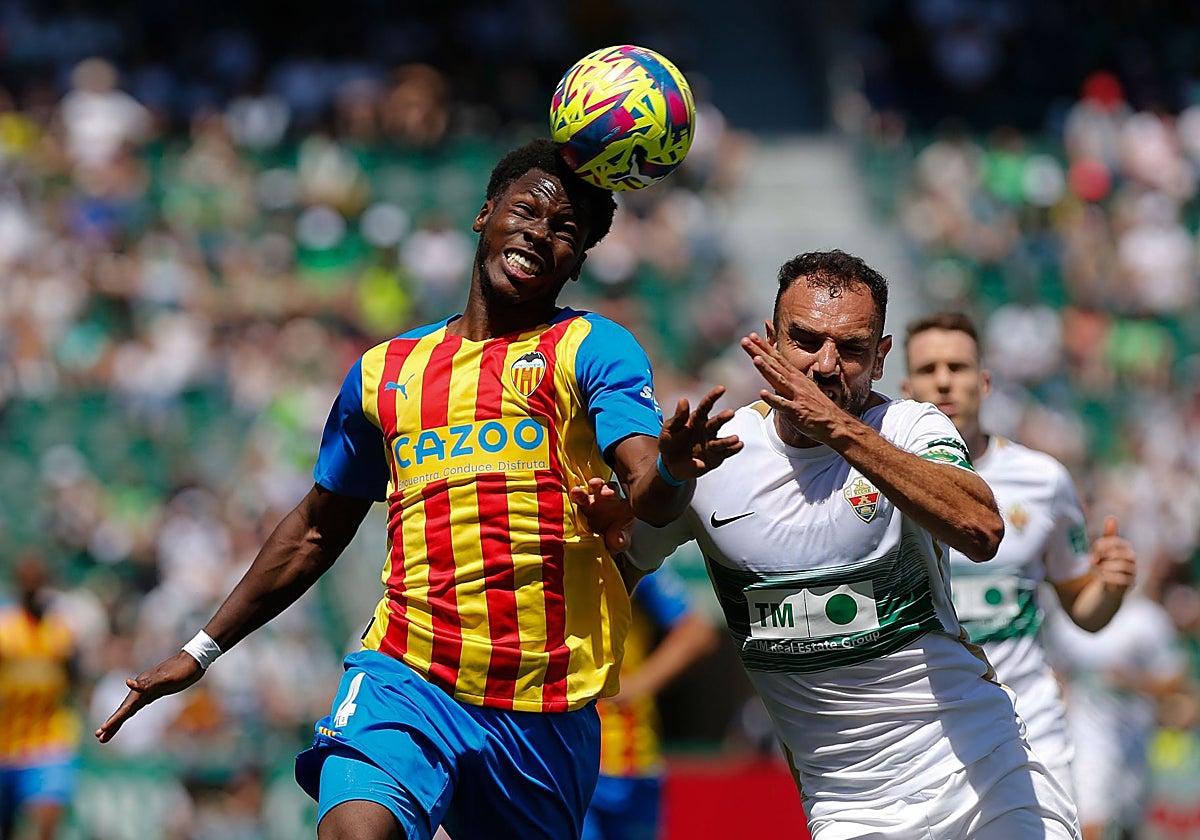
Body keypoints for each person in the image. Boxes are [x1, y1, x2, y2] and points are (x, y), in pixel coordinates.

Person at [95, 137, 743, 840]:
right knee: (354, 831)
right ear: (484, 214)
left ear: (579, 261)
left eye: (565, 231)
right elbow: (316, 527)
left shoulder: (593, 348)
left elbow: (649, 488)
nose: (540, 232)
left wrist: (675, 467)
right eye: (527, 210)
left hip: (544, 710)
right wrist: (201, 650)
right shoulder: (384, 372)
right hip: (409, 675)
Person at [623, 250, 1080, 838]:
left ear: (882, 358)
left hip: (983, 772)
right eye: (806, 340)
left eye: (853, 348)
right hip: (848, 808)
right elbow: (619, 564)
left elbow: (980, 528)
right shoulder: (714, 452)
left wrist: (837, 429)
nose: (824, 364)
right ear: (770, 339)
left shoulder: (912, 428)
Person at [900, 310, 1138, 793]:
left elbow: (1084, 612)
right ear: (906, 390)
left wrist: (1110, 588)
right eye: (928, 370)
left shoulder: (1042, 479)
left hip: (1028, 727)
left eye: (958, 367)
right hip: (925, 739)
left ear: (984, 382)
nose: (944, 382)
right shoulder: (878, 488)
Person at [583, 565, 718, 840]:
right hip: (565, 755)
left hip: (631, 756)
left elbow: (696, 631)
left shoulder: (627, 555)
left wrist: (637, 685)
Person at [0, 555, 82, 840]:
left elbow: (75, 676)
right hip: (6, 743)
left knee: (45, 820)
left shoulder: (61, 629)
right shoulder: (5, 629)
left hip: (49, 740)